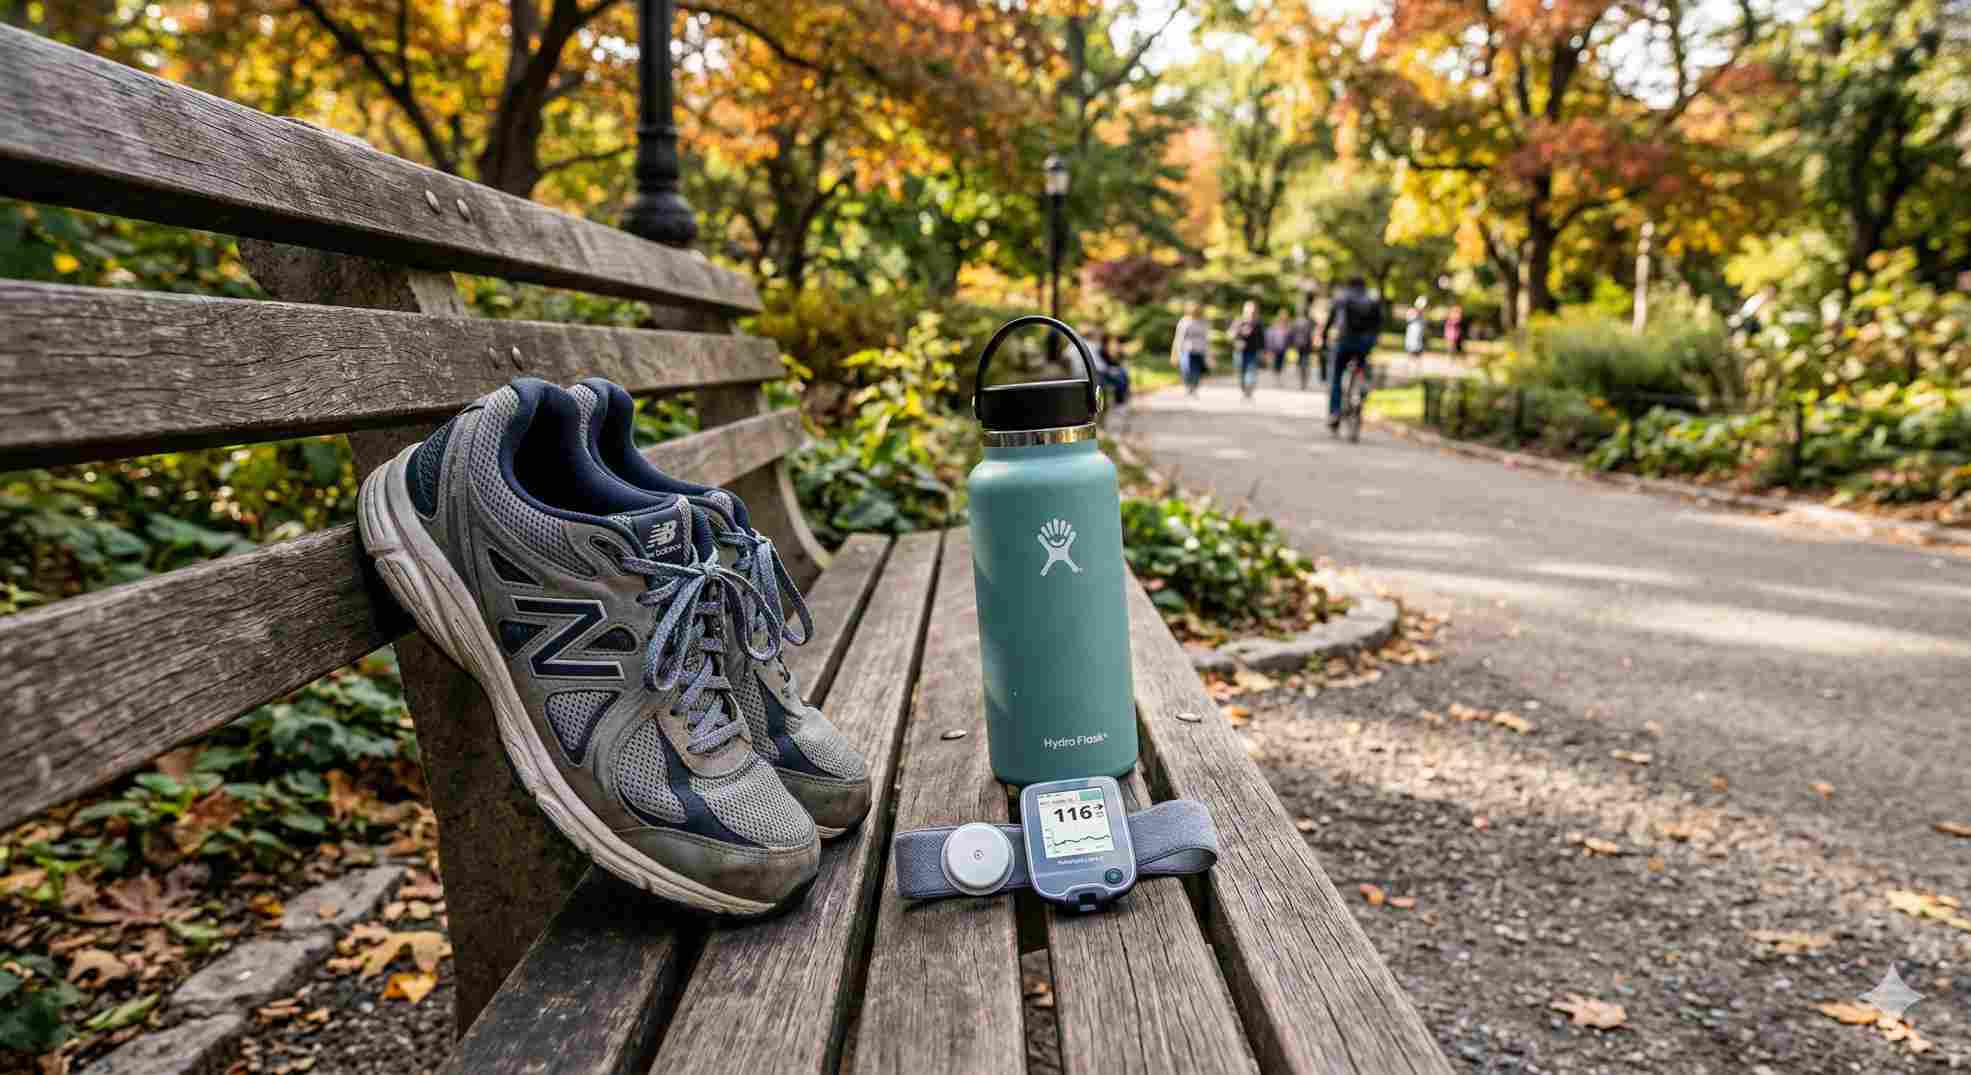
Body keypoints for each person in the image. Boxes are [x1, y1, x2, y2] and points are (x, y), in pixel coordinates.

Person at [1320, 277, 1384, 431]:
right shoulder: (1371, 299)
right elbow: (1379, 322)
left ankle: (1334, 412)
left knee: (1336, 377)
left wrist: (1324, 337)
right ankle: (1361, 390)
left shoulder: (1342, 297)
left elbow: (1331, 320)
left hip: (1345, 342)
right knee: (1362, 368)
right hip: (1364, 344)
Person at [1170, 304, 1211, 396]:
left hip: (1199, 350)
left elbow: (1206, 338)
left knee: (1196, 371)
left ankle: (1194, 387)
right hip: (1186, 350)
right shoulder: (1184, 322)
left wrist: (1209, 354)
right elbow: (1178, 338)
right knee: (1186, 369)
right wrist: (1175, 352)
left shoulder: (1203, 322)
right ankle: (1188, 385)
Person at [1231, 301, 1265, 400]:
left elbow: (1262, 339)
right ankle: (1244, 390)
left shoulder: (1258, 323)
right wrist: (1238, 335)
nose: (1251, 313)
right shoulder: (1239, 321)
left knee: (1251, 372)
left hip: (1253, 352)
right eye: (1249, 311)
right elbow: (1231, 335)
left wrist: (1262, 352)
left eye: (1253, 311)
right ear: (1244, 311)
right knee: (1241, 372)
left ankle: (1249, 391)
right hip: (1239, 352)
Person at [1288, 304, 1317, 390]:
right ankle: (1303, 380)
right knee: (1305, 361)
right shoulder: (1309, 322)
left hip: (1298, 344)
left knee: (1301, 361)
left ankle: (1302, 379)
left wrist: (1291, 343)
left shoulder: (1296, 321)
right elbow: (1312, 333)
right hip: (1307, 344)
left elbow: (1292, 333)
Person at [1265, 311, 1291, 386]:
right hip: (1275, 348)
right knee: (1276, 364)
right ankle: (1277, 378)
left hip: (1283, 349)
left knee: (1281, 364)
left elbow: (1289, 338)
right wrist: (1269, 348)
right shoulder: (1274, 327)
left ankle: (1279, 379)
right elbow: (1270, 337)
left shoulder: (1287, 327)